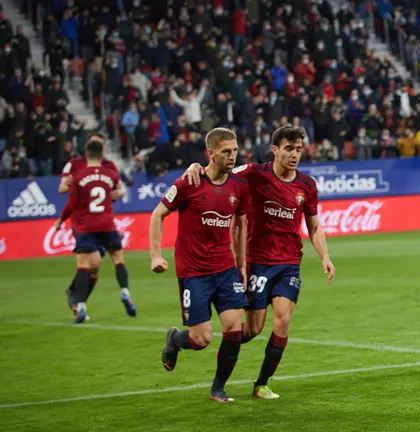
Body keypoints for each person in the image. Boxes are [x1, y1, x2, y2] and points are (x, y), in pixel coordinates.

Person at [181, 125, 336, 400]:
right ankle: (218, 352)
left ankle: (261, 384)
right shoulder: (254, 173)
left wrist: (325, 256)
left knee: (283, 320)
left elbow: (314, 227)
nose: (295, 155)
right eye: (289, 149)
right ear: (275, 150)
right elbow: (220, 172)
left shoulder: (307, 186)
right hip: (258, 262)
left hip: (289, 263)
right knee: (252, 329)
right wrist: (196, 167)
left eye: (299, 149)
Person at [149, 128, 251, 403]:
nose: (232, 156)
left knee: (234, 329)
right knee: (201, 339)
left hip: (225, 269)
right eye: (226, 151)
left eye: (235, 150)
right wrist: (155, 255)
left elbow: (240, 225)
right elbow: (157, 214)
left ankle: (218, 388)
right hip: (194, 273)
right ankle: (175, 339)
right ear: (211, 153)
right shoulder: (189, 182)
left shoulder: (239, 186)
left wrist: (242, 265)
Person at [57, 132, 134, 318]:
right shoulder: (75, 164)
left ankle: (78, 301)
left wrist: (60, 220)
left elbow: (121, 191)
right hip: (87, 223)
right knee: (97, 262)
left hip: (88, 223)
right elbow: (62, 188)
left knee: (92, 266)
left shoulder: (107, 166)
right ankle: (79, 300)